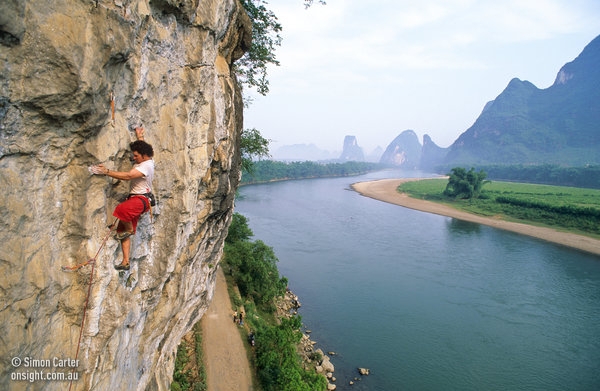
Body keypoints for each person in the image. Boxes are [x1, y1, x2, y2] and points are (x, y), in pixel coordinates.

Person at [96, 127, 155, 271]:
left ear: (143, 155)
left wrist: (107, 172)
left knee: (121, 210)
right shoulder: (147, 160)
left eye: (136, 156)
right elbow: (144, 149)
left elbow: (128, 176)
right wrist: (139, 137)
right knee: (122, 231)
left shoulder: (146, 166)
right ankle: (125, 261)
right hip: (138, 200)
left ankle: (130, 230)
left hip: (141, 200)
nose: (133, 158)